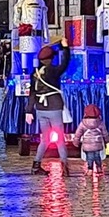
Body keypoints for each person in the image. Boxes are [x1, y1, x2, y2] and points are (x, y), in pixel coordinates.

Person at [25, 39, 71, 176]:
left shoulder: (34, 73)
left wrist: (29, 111)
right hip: (54, 107)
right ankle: (64, 166)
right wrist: (65, 48)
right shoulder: (53, 70)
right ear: (51, 58)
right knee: (60, 139)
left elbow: (32, 93)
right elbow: (65, 63)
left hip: (40, 109)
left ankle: (36, 166)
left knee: (44, 139)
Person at [72, 104, 109, 176]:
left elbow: (78, 134)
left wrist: (76, 142)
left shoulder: (83, 123)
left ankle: (90, 169)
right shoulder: (100, 123)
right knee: (97, 156)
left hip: (87, 144)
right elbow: (105, 133)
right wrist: (107, 140)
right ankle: (99, 168)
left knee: (89, 157)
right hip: (97, 143)